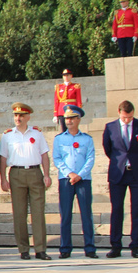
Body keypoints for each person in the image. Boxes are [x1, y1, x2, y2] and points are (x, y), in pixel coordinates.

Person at [0, 102, 53, 260]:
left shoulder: (37, 134)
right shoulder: (8, 135)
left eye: (21, 115)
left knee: (38, 213)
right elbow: (3, 159)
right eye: (16, 115)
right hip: (16, 174)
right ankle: (23, 249)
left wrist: (46, 174)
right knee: (19, 214)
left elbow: (44, 155)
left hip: (35, 172)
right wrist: (3, 179)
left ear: (28, 116)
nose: (18, 118)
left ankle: (40, 249)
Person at [102, 101, 138, 259]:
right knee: (116, 209)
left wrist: (135, 161)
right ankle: (115, 245)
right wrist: (121, 162)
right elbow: (108, 149)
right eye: (124, 117)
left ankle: (135, 245)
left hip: (137, 172)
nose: (127, 121)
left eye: (130, 118)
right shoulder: (110, 127)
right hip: (118, 172)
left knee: (137, 209)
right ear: (119, 112)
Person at [53, 105, 97, 259]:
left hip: (83, 179)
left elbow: (90, 158)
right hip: (66, 179)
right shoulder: (59, 139)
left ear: (78, 119)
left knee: (86, 214)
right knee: (65, 214)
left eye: (72, 118)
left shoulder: (87, 139)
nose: (69, 121)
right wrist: (70, 173)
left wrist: (80, 175)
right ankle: (65, 248)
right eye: (66, 118)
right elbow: (57, 159)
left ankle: (90, 247)